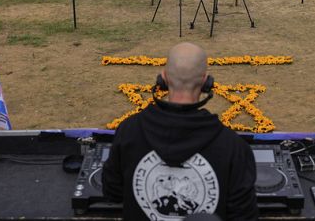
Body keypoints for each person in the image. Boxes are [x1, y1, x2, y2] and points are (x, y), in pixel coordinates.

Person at [102, 42, 257, 220]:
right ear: (206, 82)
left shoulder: (128, 131)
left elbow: (112, 192)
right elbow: (244, 215)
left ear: (163, 79)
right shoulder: (233, 146)